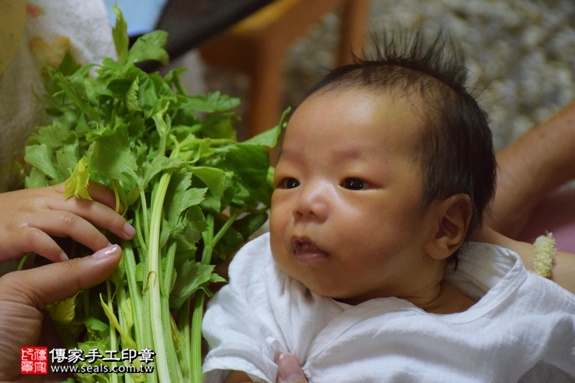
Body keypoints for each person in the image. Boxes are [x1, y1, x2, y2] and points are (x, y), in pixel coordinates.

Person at [201, 32, 575, 383]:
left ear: (444, 227)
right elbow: (234, 353)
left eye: (352, 183)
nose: (304, 204)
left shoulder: (503, 322)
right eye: (289, 181)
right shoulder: (271, 285)